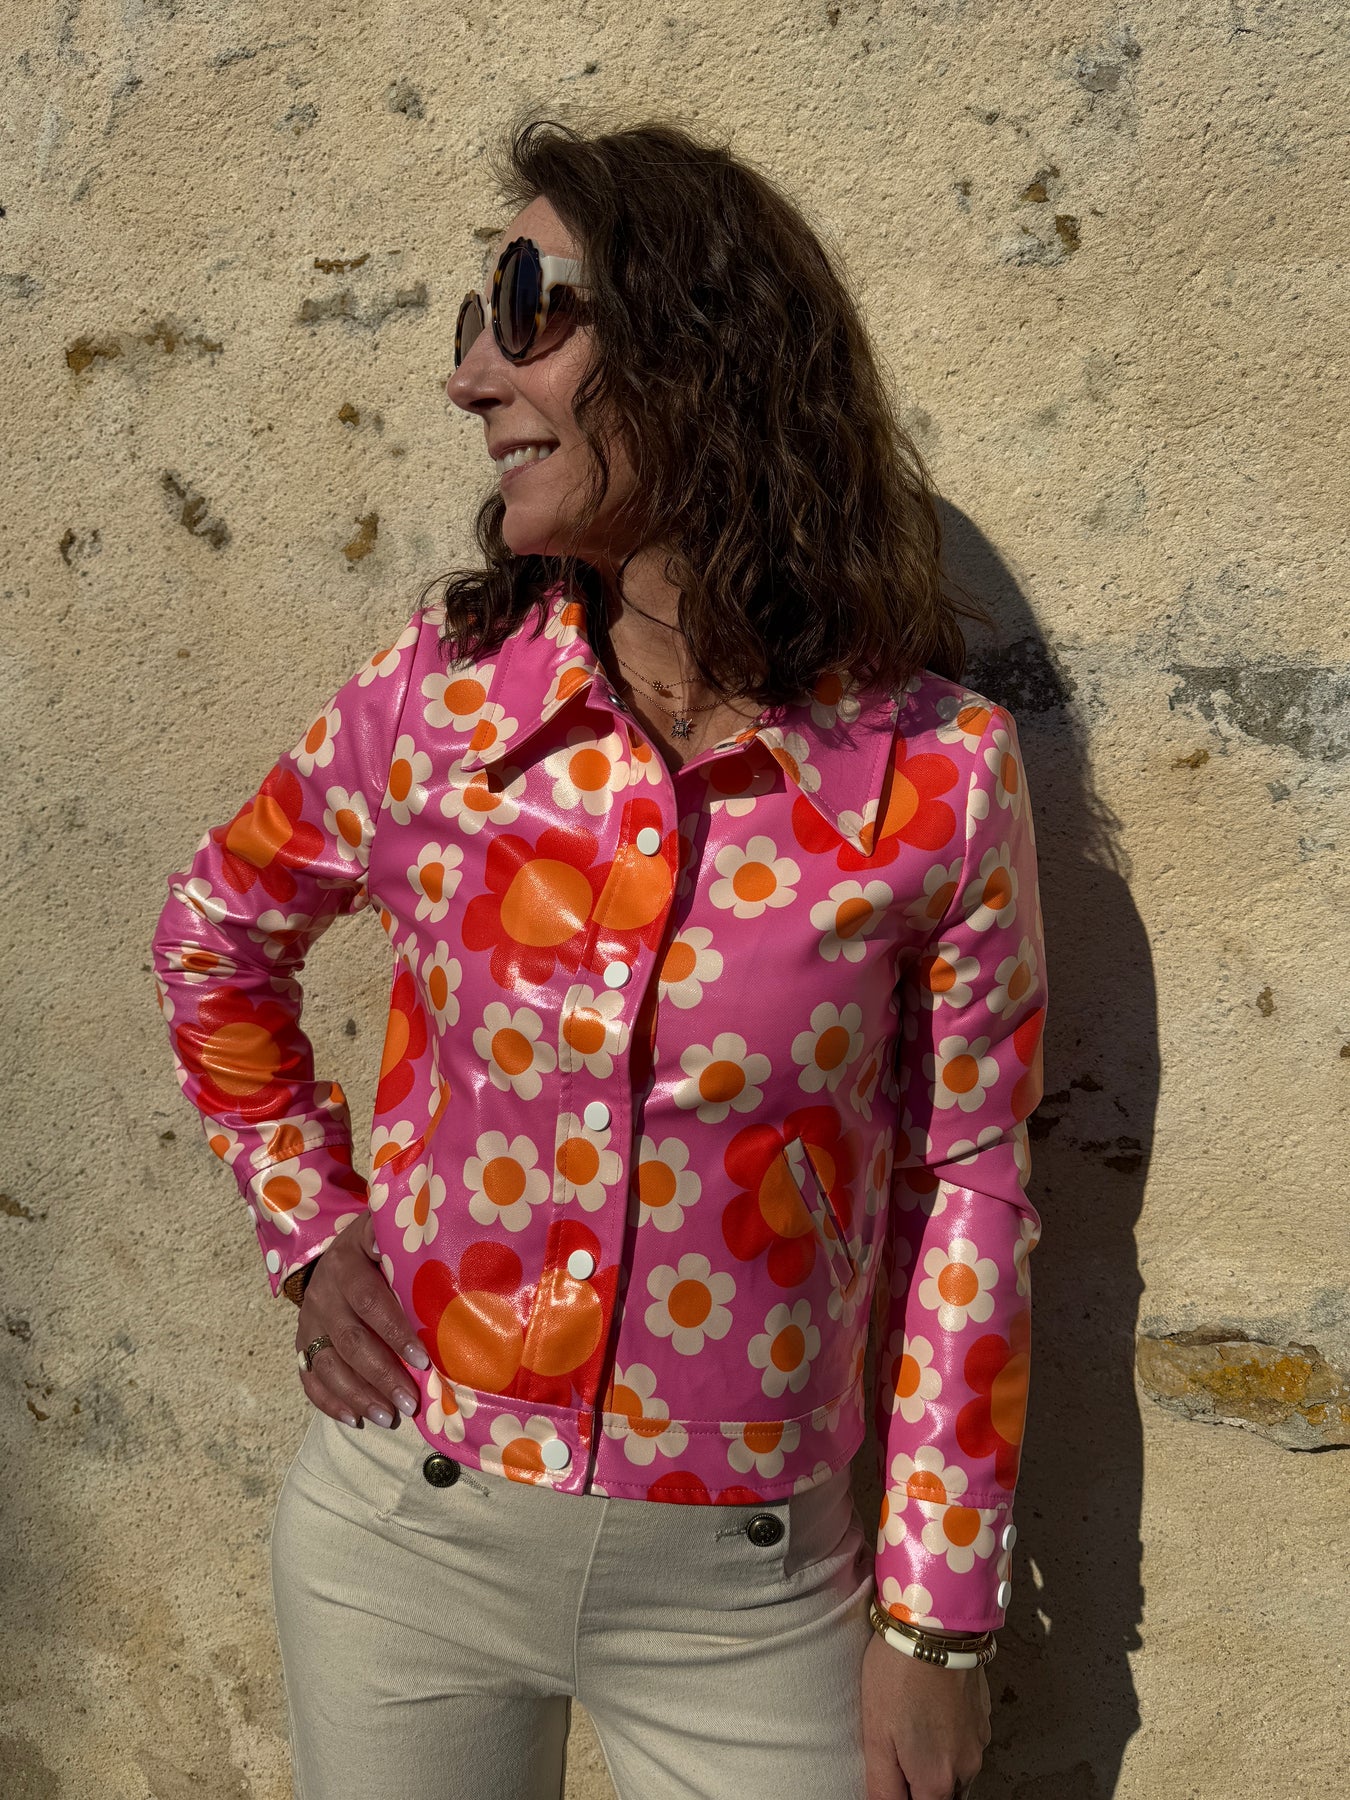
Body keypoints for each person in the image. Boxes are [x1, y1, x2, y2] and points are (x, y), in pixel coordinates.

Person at [151, 115, 1047, 1800]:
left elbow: (968, 1190)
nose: (470, 377)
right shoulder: (437, 706)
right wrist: (310, 1230)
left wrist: (936, 1621)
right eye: (469, 321)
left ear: (702, 345)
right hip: (402, 1542)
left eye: (525, 305)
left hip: (755, 1600)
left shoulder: (930, 777)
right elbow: (214, 938)